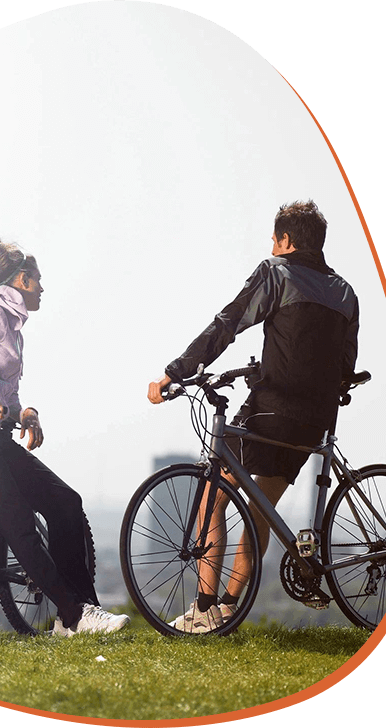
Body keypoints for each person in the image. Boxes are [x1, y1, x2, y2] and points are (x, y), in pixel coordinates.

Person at [148, 200, 360, 633]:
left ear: (285, 240)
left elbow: (229, 322)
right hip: (312, 421)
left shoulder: (275, 272)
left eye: (274, 237)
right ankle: (227, 608)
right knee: (260, 512)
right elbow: (346, 363)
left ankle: (206, 609)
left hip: (269, 410)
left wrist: (176, 370)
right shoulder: (346, 292)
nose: (271, 243)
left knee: (212, 500)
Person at [0, 236, 129, 636]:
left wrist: (26, 413)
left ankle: (81, 614)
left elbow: (8, 395)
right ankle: (74, 615)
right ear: (21, 280)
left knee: (66, 502)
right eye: (38, 280)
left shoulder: (15, 332)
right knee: (18, 522)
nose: (42, 288)